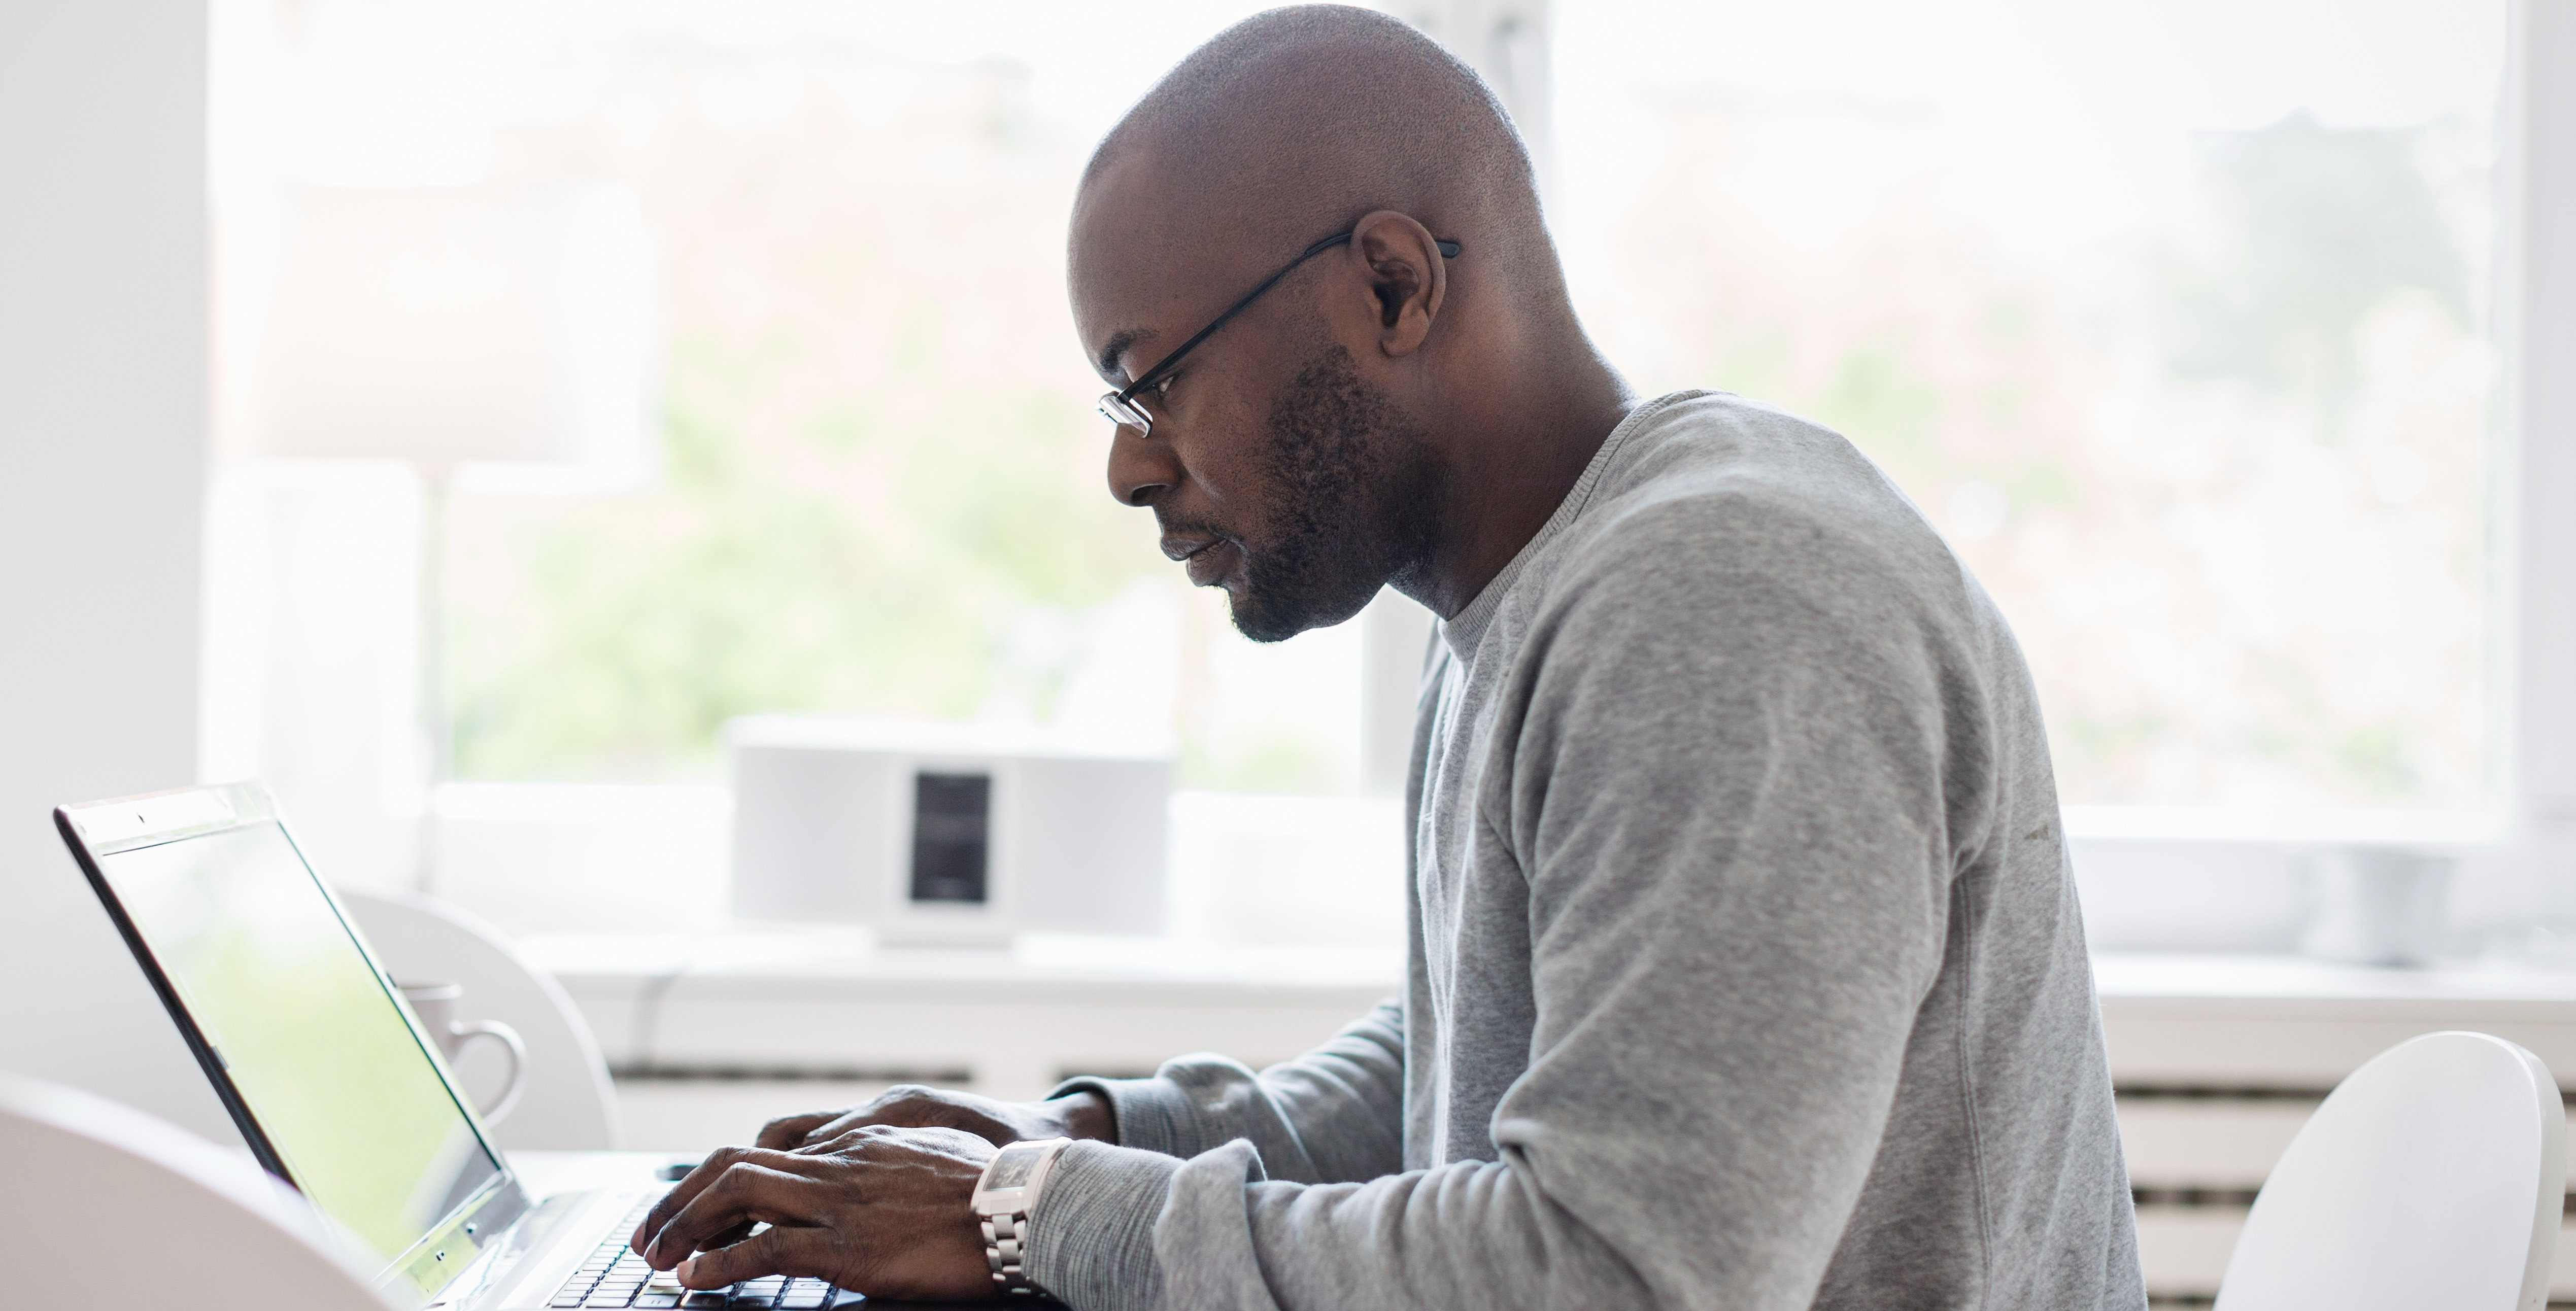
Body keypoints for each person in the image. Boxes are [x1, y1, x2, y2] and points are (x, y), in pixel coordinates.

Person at [632, 8, 2144, 1308]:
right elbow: (1477, 1066)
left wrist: (1036, 1223)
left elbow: (1622, 1272)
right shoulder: (1539, 588)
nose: (1126, 473)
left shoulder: (1727, 601)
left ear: (1391, 288)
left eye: (1147, 383)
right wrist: (1075, 1142)